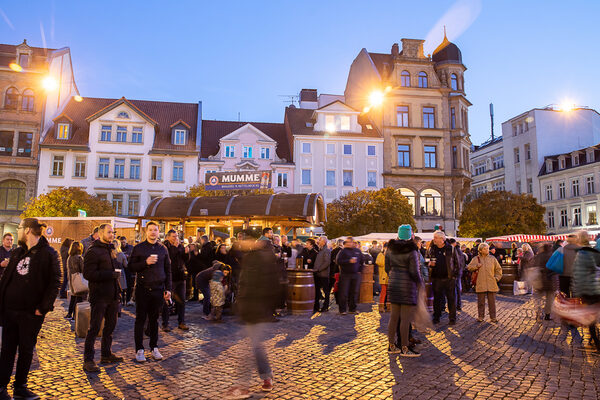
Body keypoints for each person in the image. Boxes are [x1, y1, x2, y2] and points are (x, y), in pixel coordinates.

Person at [0, 218, 60, 400]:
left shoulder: (49, 254)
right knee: (7, 350)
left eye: (19, 228)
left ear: (27, 230)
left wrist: (43, 308)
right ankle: (1, 387)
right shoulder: (18, 252)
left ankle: (20, 387)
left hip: (31, 313)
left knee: (26, 350)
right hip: (10, 311)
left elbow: (56, 282)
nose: (17, 232)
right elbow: (6, 279)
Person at [225, 237, 278, 397]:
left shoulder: (263, 259)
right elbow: (243, 282)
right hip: (249, 308)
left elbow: (271, 286)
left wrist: (262, 306)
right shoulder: (250, 257)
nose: (247, 243)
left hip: (257, 308)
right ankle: (266, 376)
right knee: (255, 346)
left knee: (250, 348)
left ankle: (243, 385)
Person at [82, 223, 123, 373]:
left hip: (112, 295)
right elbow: (88, 274)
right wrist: (109, 275)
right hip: (99, 296)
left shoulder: (111, 249)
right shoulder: (93, 251)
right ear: (100, 234)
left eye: (113, 232)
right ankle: (88, 359)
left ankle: (106, 354)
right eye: (109, 232)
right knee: (94, 328)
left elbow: (114, 271)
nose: (112, 235)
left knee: (110, 327)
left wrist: (117, 291)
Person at [129, 222, 172, 363]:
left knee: (154, 320)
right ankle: (139, 349)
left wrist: (168, 289)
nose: (153, 232)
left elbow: (168, 270)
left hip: (158, 289)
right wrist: (145, 263)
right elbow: (130, 267)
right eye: (150, 230)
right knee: (140, 320)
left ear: (159, 232)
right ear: (146, 232)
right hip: (143, 289)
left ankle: (154, 347)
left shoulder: (163, 249)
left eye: (155, 230)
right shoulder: (139, 248)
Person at [386, 225, 422, 357]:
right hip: (407, 285)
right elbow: (414, 271)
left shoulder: (390, 249)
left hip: (393, 284)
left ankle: (391, 345)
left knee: (393, 317)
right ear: (409, 235)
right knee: (405, 319)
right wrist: (419, 283)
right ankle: (405, 348)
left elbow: (387, 267)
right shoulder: (412, 251)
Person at [572, 231, 600, 352]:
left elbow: (578, 275)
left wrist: (576, 293)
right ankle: (595, 341)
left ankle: (597, 343)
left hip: (587, 290)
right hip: (596, 287)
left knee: (591, 319)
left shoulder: (582, 253)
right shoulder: (593, 251)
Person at [428, 230, 460, 325]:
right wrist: (429, 264)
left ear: (442, 239)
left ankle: (452, 318)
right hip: (436, 278)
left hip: (449, 278)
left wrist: (454, 276)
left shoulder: (451, 249)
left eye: (435, 238)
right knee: (437, 299)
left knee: (451, 299)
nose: (434, 239)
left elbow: (457, 263)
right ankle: (436, 317)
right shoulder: (432, 249)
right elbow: (427, 260)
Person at [467, 243, 502, 323]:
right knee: (481, 302)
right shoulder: (476, 258)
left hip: (491, 283)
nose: (487, 250)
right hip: (480, 282)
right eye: (485, 249)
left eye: (487, 248)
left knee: (492, 302)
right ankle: (480, 316)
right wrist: (476, 266)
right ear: (480, 250)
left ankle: (493, 317)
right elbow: (469, 267)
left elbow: (498, 269)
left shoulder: (492, 258)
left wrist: (496, 278)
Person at [161, 230, 188, 332]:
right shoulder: (165, 246)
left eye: (176, 236)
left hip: (180, 277)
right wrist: (175, 248)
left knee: (181, 301)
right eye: (173, 236)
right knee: (167, 301)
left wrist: (186, 252)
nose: (175, 238)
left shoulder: (180, 245)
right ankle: (165, 324)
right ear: (168, 237)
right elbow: (170, 257)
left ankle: (181, 322)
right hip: (169, 278)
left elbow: (185, 259)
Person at [335, 237, 363, 315]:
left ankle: (352, 309)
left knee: (354, 292)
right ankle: (342, 310)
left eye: (351, 241)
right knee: (344, 292)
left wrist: (360, 271)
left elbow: (362, 261)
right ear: (346, 243)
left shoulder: (357, 251)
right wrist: (348, 261)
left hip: (355, 274)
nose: (350, 243)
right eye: (348, 242)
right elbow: (338, 261)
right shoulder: (343, 251)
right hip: (345, 274)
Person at [531, 243, 556, 320]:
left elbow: (533, 266)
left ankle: (538, 311)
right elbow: (555, 268)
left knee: (538, 297)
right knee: (549, 298)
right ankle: (547, 314)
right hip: (549, 280)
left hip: (540, 280)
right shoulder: (552, 256)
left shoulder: (538, 256)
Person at [66, 241, 85, 320]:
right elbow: (82, 270)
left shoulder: (69, 257)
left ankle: (69, 314)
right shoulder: (79, 258)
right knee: (79, 298)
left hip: (71, 279)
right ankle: (76, 316)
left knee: (73, 297)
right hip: (78, 280)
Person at [313, 236, 331, 313]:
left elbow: (327, 262)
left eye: (320, 240)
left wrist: (319, 269)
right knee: (317, 290)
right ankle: (316, 306)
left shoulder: (326, 250)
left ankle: (325, 306)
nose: (318, 242)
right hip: (318, 274)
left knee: (326, 291)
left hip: (323, 274)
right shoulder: (320, 250)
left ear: (324, 242)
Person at [112, 240, 128, 308]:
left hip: (112, 273)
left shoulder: (111, 253)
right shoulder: (121, 254)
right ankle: (120, 305)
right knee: (121, 290)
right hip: (120, 273)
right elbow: (126, 265)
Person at [376, 243, 388, 312]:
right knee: (383, 292)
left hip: (389, 276)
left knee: (389, 293)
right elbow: (380, 263)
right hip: (383, 276)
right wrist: (385, 256)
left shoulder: (391, 255)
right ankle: (381, 306)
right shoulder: (380, 255)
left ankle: (388, 306)